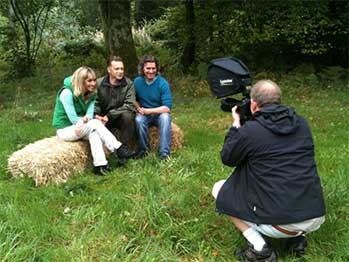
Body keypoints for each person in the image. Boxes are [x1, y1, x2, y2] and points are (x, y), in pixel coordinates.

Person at [212, 80, 326, 261]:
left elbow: (228, 158)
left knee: (219, 189)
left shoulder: (251, 131)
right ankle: (297, 240)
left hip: (280, 222)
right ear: (279, 101)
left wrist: (236, 124)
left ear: (253, 104)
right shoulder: (302, 124)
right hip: (314, 215)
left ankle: (260, 247)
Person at [52, 66, 134, 176]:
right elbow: (73, 119)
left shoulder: (92, 93)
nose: (93, 83)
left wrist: (88, 120)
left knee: (94, 132)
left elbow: (90, 115)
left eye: (94, 80)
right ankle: (118, 148)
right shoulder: (66, 93)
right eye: (89, 81)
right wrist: (84, 121)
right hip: (65, 130)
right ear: (81, 81)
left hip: (83, 127)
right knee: (95, 124)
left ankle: (100, 166)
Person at [133, 55, 172, 160]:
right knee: (138, 119)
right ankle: (144, 150)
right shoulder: (137, 82)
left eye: (153, 68)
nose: (151, 71)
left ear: (157, 69)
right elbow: (133, 99)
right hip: (144, 114)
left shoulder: (163, 83)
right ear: (143, 69)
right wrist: (138, 108)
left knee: (166, 117)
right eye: (148, 68)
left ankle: (164, 154)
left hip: (159, 114)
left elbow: (167, 108)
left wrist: (148, 111)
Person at [94, 56, 136, 150]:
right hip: (102, 118)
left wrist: (109, 115)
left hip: (119, 117)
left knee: (128, 116)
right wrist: (96, 115)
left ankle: (125, 150)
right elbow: (94, 102)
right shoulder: (98, 83)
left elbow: (130, 105)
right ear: (109, 69)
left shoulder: (128, 84)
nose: (120, 71)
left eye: (122, 69)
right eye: (117, 69)